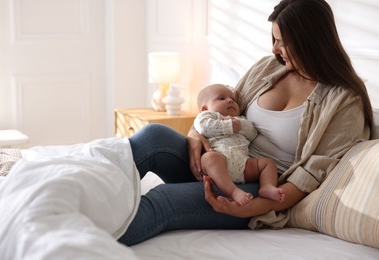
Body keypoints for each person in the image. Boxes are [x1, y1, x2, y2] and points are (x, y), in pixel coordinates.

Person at [118, 0, 373, 246]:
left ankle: (87, 241)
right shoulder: (267, 68)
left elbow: (310, 176)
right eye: (274, 39)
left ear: (310, 42)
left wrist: (251, 208)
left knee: (163, 200)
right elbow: (223, 105)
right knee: (153, 136)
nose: (274, 49)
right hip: (215, 158)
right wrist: (196, 133)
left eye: (283, 43)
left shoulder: (343, 102)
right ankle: (89, 199)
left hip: (251, 186)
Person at [194, 83, 284, 205]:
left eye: (232, 99)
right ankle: (233, 191)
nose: (230, 100)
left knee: (268, 163)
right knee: (210, 158)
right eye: (222, 98)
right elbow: (204, 128)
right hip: (219, 161)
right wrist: (228, 126)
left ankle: (267, 186)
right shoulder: (209, 116)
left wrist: (239, 125)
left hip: (243, 165)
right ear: (205, 108)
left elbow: (252, 133)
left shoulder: (240, 119)